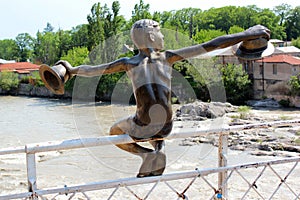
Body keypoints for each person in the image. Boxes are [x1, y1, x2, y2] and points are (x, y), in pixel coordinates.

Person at [56, 19, 271, 177]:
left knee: (115, 131)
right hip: (167, 125)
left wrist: (71, 69)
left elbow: (93, 70)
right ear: (151, 37)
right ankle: (159, 148)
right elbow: (214, 43)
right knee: (157, 123)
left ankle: (146, 155)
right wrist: (245, 34)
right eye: (160, 33)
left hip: (143, 124)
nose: (163, 37)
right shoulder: (168, 57)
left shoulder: (128, 62)